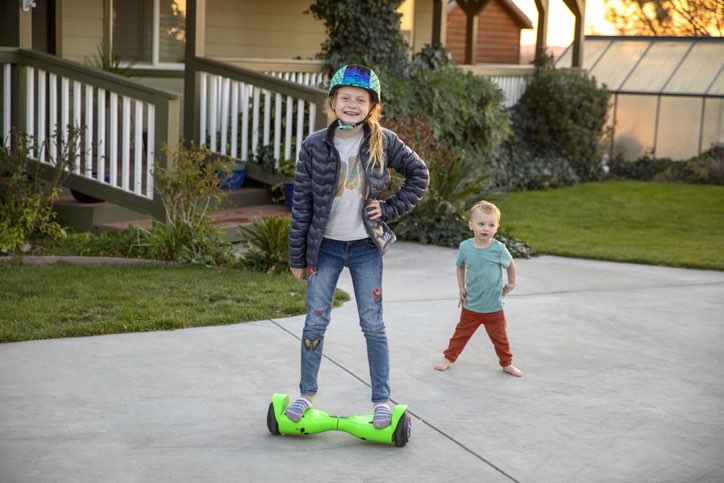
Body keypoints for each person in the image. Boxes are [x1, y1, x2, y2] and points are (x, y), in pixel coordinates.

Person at [285, 64, 429, 429]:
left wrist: (390, 207)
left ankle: (381, 400)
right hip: (325, 249)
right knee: (315, 323)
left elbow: (419, 175)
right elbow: (301, 203)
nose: (351, 104)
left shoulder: (385, 141)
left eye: (360, 99)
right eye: (344, 97)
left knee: (373, 325)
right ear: (332, 101)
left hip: (365, 247)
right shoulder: (314, 145)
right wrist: (297, 256)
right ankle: (305, 395)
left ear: (372, 106)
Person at [434, 200, 523, 377]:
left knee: (500, 339)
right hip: (471, 305)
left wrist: (512, 283)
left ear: (497, 227)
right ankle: (449, 358)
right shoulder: (465, 247)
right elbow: (460, 266)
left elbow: (510, 264)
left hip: (493, 307)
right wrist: (461, 287)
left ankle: (506, 363)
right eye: (481, 224)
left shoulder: (499, 249)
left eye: (491, 225)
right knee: (460, 335)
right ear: (471, 225)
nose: (486, 228)